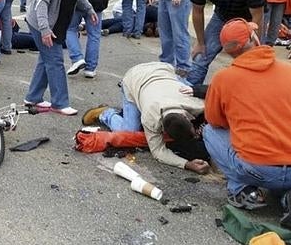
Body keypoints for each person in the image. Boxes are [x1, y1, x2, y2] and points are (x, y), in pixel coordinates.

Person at [203, 19, 291, 228]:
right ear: (254, 39)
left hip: (257, 169)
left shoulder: (223, 79)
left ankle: (242, 191)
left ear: (228, 52)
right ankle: (286, 199)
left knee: (209, 131)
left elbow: (215, 121)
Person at [82, 62, 211, 174]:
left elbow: (217, 93)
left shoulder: (198, 103)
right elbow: (158, 152)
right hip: (134, 77)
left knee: (187, 88)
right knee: (129, 130)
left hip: (163, 70)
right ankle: (106, 114)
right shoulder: (150, 117)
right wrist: (187, 164)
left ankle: (125, 113)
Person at [24, 0, 97, 116]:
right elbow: (41, 1)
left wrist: (89, 9)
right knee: (55, 60)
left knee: (45, 60)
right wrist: (44, 29)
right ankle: (60, 102)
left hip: (56, 23)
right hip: (42, 23)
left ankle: (33, 97)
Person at [186, 0, 265, 85]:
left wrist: (255, 42)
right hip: (222, 16)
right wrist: (200, 42)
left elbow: (257, 15)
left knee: (251, 59)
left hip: (247, 20)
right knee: (202, 56)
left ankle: (251, 91)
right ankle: (189, 89)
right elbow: (197, 11)